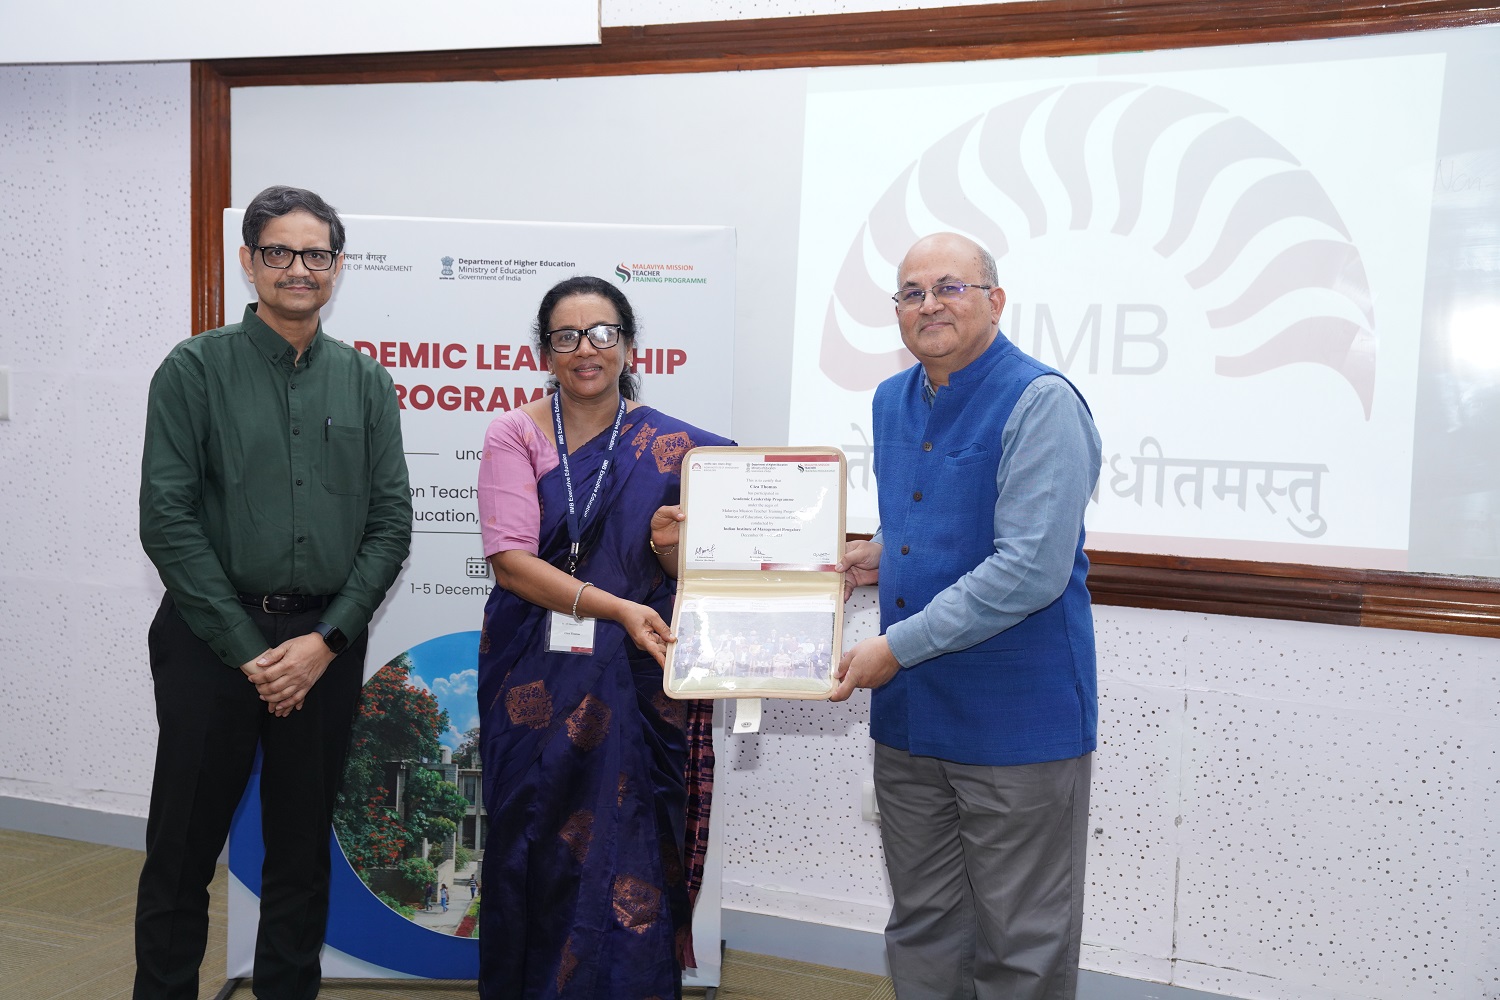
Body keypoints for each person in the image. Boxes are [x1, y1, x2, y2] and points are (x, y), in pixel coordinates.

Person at [135, 185, 412, 1000]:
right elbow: (167, 520)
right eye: (281, 252)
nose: (300, 268)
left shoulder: (366, 381)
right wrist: (254, 652)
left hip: (322, 647)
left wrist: (323, 642)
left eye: (317, 254)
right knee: (183, 848)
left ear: (336, 267)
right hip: (210, 643)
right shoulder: (194, 369)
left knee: (300, 849)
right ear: (250, 261)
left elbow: (391, 523)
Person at [833, 232, 1102, 1000]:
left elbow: (1030, 568)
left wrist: (895, 646)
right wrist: (881, 552)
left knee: (1022, 941)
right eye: (911, 293)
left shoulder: (1040, 401)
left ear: (995, 300)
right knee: (922, 922)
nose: (929, 305)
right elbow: (932, 516)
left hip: (1015, 722)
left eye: (949, 287)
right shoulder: (893, 398)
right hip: (912, 718)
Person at [475, 275, 732, 999]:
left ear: (627, 344)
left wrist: (669, 550)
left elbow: (696, 572)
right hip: (535, 674)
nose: (585, 350)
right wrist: (613, 605)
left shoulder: (682, 450)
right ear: (544, 351)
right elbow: (512, 562)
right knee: (536, 838)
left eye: (601, 333)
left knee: (632, 845)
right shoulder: (515, 434)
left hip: (637, 680)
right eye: (566, 336)